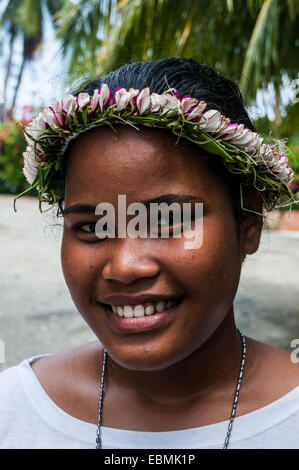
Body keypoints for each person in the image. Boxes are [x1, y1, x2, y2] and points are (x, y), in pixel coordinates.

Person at [1, 57, 298, 449]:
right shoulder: (14, 411)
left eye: (168, 220)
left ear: (249, 224)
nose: (125, 266)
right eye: (92, 226)